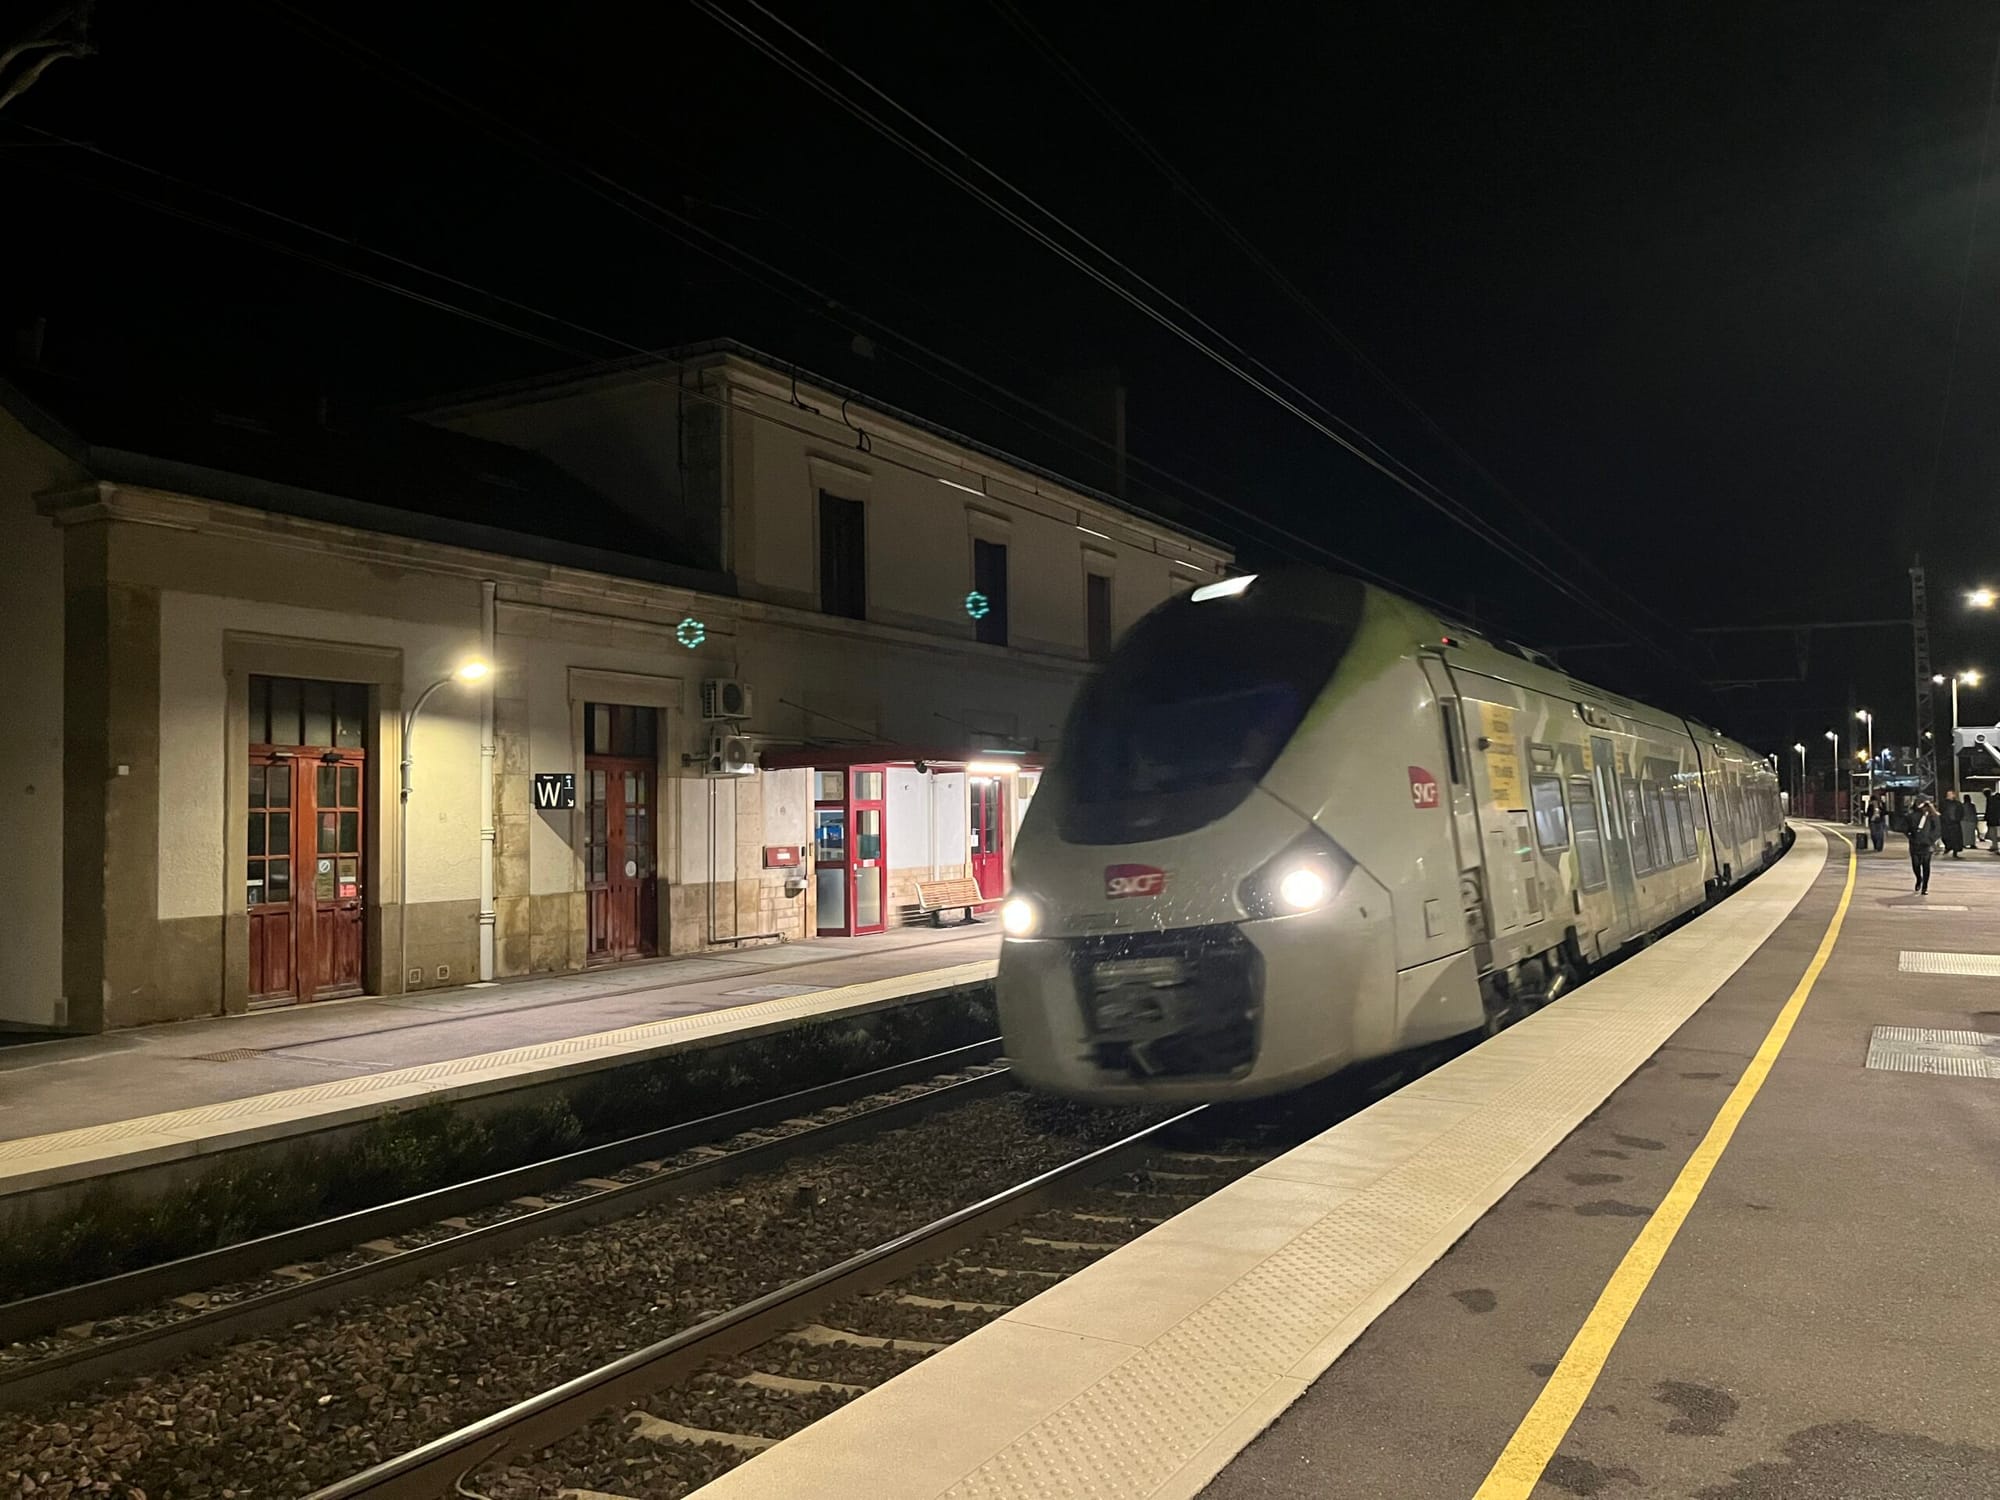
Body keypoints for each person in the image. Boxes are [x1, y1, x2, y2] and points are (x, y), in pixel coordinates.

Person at [1908, 798, 1940, 893]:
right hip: (1915, 843)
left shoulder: (1933, 816)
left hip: (1927, 844)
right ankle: (1919, 878)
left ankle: (1925, 886)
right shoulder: (1912, 815)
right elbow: (1906, 827)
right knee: (1916, 864)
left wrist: (1931, 840)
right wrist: (1910, 836)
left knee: (1926, 865)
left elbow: (1937, 830)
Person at [1942, 790, 1966, 858]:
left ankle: (1955, 852)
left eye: (1950, 794)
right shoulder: (1944, 803)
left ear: (1953, 795)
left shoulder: (1958, 804)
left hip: (1955, 823)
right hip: (1946, 824)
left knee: (1956, 839)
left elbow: (1961, 812)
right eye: (1947, 794)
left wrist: (1958, 819)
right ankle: (1948, 847)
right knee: (1946, 837)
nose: (1948, 796)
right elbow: (1942, 812)